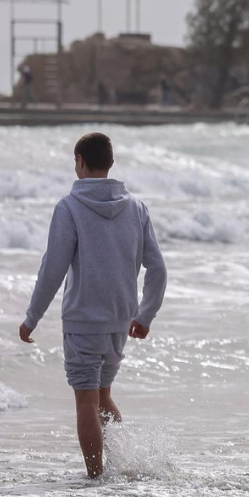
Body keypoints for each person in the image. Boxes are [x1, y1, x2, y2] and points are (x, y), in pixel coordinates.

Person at [18, 132, 167, 479]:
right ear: (111, 163)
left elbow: (52, 269)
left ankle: (96, 480)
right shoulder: (136, 207)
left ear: (80, 161)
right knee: (102, 396)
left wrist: (31, 318)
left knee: (87, 400)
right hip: (120, 320)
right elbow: (157, 267)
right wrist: (144, 315)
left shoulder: (69, 208)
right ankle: (125, 464)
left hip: (83, 321)